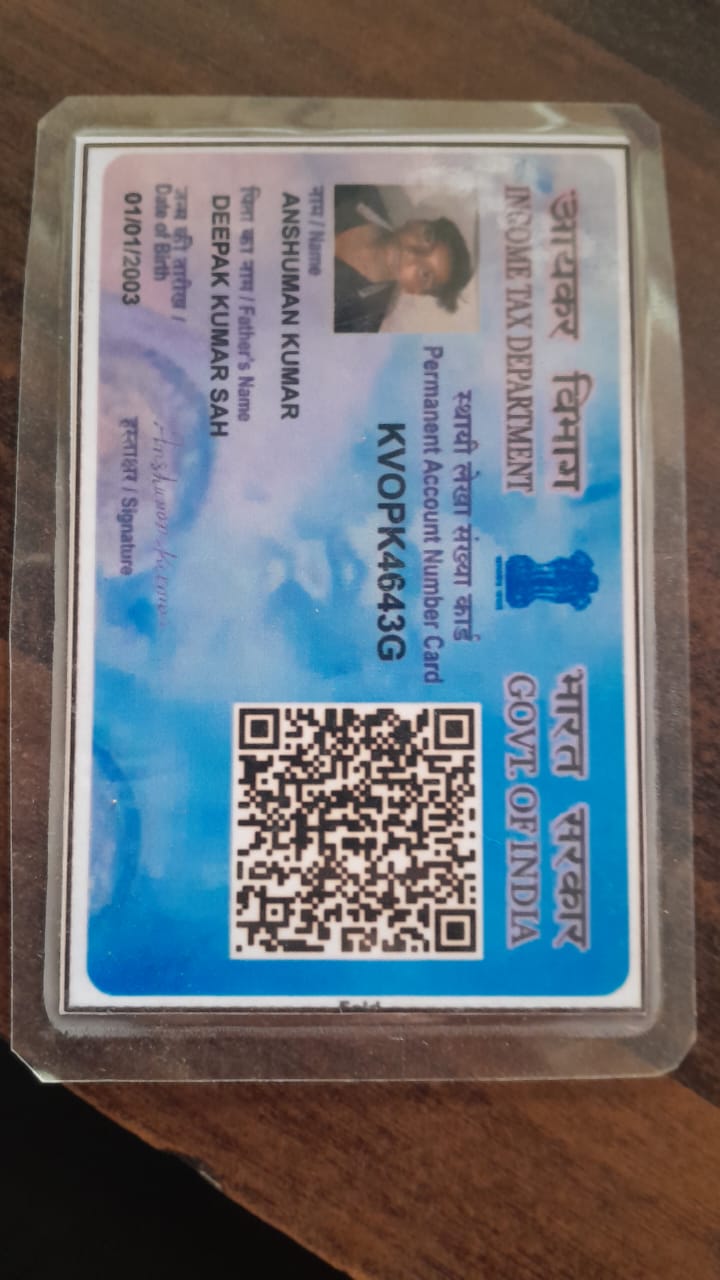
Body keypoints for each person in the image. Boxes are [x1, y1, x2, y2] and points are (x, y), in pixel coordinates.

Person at [334, 185, 473, 333]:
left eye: (425, 274)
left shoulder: (359, 321)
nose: (412, 255)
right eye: (427, 238)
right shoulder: (357, 190)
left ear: (414, 290)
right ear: (416, 222)